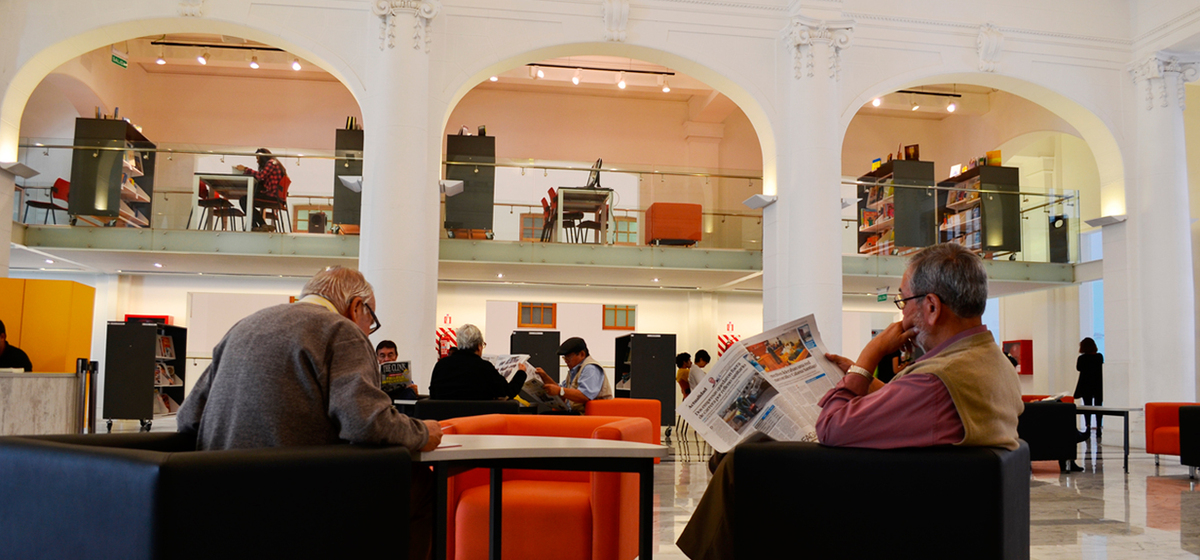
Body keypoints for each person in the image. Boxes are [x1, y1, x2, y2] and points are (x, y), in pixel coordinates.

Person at [676, 243, 1024, 560]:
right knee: (729, 453)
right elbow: (916, 409)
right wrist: (862, 380)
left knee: (741, 458)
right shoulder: (985, 360)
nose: (902, 318)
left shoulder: (937, 380)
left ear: (931, 307)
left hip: (874, 504)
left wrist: (867, 357)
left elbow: (831, 428)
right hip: (921, 495)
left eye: (904, 302)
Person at [176, 266, 442, 560]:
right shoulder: (342, 331)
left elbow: (188, 419)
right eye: (371, 320)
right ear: (356, 307)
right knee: (422, 484)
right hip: (299, 500)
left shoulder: (242, 327)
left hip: (216, 501)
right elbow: (366, 422)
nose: (369, 331)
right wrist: (422, 432)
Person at [428, 324, 527, 400]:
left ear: (459, 345)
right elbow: (508, 392)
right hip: (477, 423)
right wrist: (521, 373)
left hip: (445, 422)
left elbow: (433, 394)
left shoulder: (441, 366)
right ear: (479, 347)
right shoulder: (485, 368)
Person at [533, 337, 613, 413]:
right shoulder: (575, 370)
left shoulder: (590, 368)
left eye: (568, 358)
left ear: (582, 354)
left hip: (586, 415)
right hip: (575, 412)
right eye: (565, 358)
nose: (566, 361)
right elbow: (561, 390)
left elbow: (585, 395)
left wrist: (560, 391)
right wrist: (544, 377)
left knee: (547, 418)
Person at [235, 148, 289, 231]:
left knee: (244, 200)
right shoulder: (275, 163)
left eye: (257, 158)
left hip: (272, 196)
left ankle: (257, 225)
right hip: (276, 196)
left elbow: (261, 176)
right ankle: (259, 225)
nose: (257, 161)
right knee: (247, 200)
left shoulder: (271, 163)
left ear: (262, 157)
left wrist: (246, 169)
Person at [1074, 337, 1104, 434]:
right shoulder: (1099, 357)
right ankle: (1099, 426)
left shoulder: (1082, 358)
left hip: (1086, 385)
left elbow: (1078, 368)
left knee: (1087, 406)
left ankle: (1088, 426)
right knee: (1098, 406)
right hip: (1098, 384)